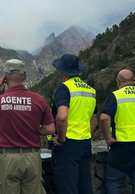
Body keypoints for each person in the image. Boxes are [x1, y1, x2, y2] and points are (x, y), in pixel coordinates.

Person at [0, 59, 55, 194]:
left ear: (5, 77)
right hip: (32, 158)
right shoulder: (38, 99)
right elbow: (50, 129)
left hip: (6, 159)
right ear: (25, 76)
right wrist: (32, 128)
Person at [100, 69, 135, 194]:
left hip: (121, 147)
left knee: (114, 182)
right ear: (134, 81)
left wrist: (108, 138)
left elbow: (104, 118)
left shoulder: (116, 96)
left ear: (117, 82)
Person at [50, 54, 97, 194]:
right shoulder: (90, 90)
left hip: (68, 145)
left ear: (62, 70)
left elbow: (62, 117)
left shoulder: (64, 88)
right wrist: (85, 135)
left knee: (67, 188)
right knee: (85, 187)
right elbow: (94, 121)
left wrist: (61, 139)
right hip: (85, 143)